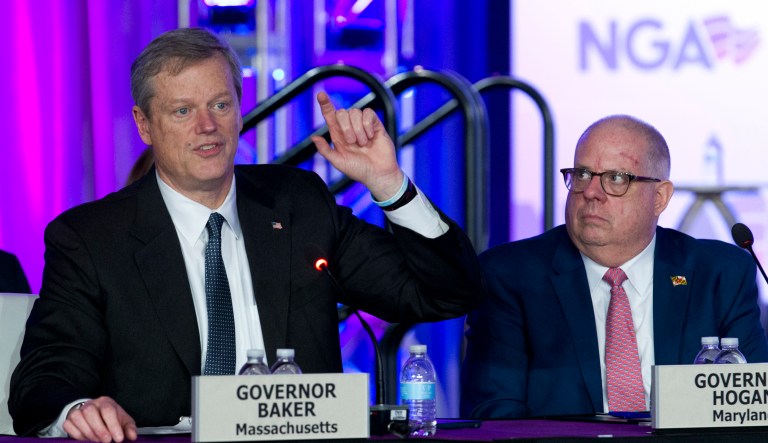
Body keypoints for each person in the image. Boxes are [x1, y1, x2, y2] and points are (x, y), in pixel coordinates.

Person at [10, 27, 484, 441]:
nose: (208, 127)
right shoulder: (92, 238)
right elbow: (45, 378)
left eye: (221, 104)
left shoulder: (298, 204)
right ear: (144, 125)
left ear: (240, 110)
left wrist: (388, 183)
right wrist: (78, 411)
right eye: (182, 111)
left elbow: (444, 293)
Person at [460, 115, 768, 419]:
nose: (591, 193)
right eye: (581, 174)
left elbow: (752, 410)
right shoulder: (510, 276)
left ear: (659, 197)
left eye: (616, 178)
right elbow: (494, 414)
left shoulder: (719, 274)